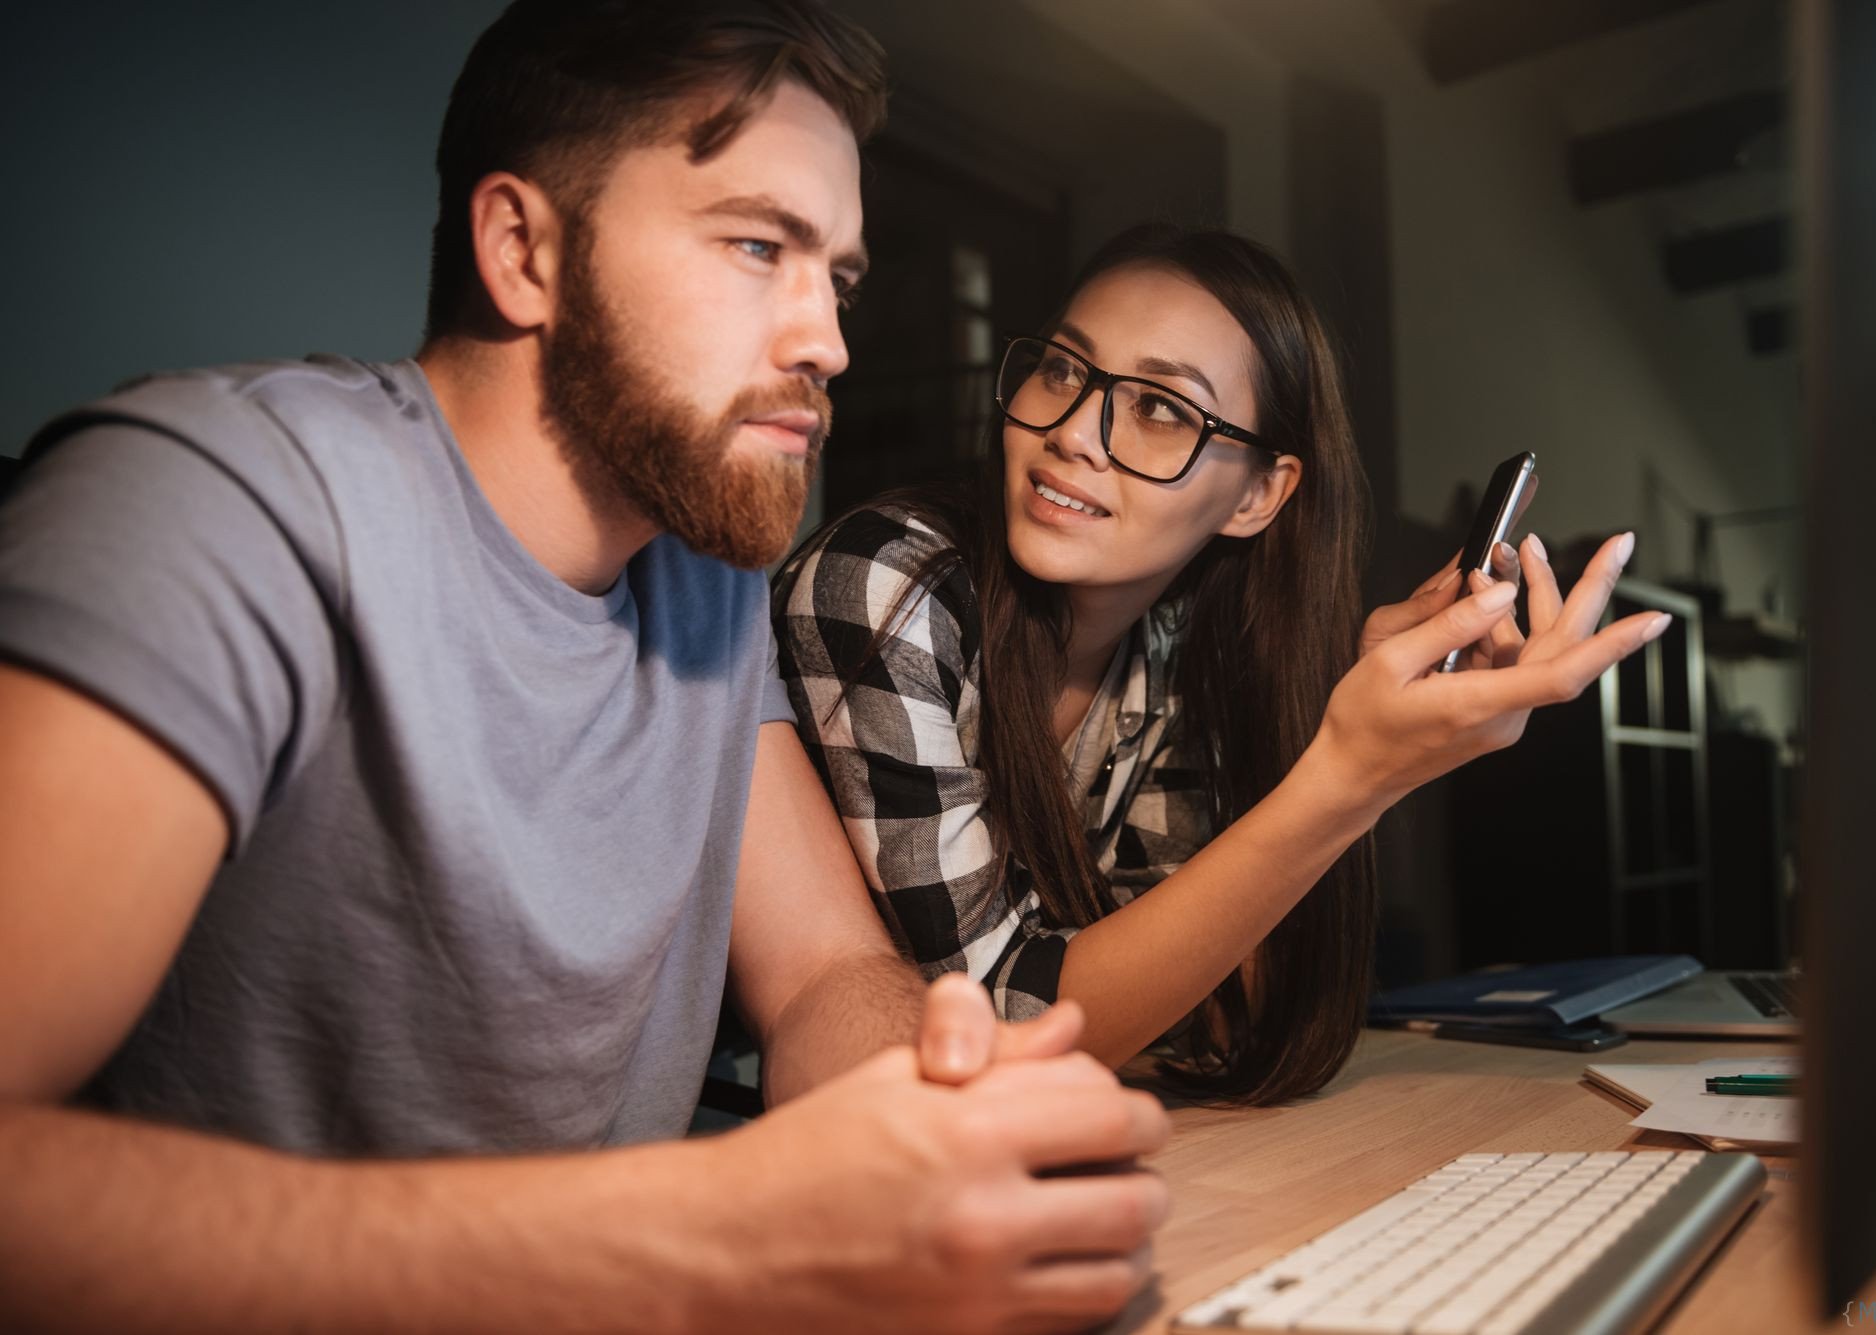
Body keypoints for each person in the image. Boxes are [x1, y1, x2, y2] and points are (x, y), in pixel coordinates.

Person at [0, 3, 1172, 1331]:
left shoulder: (703, 576)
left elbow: (822, 976)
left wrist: (944, 1114)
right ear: (524, 250)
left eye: (834, 276)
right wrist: (717, 1236)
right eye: (754, 245)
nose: (828, 341)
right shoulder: (217, 504)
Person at [775, 224, 1670, 1104]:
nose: (1077, 433)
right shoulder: (886, 585)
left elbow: (1211, 1009)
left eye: (1160, 408)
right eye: (1063, 369)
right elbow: (993, 1028)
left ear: (1258, 495)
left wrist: (1360, 744)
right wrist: (1350, 774)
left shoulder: (1162, 656)